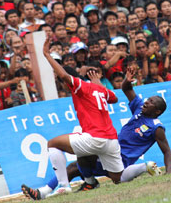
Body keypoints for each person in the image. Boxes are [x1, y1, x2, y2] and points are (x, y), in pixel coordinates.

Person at [21, 65, 171, 200]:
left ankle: (140, 168)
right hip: (111, 149)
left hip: (122, 158)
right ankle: (53, 190)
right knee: (79, 164)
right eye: (148, 99)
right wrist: (127, 79)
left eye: (151, 102)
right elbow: (126, 89)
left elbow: (166, 150)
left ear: (157, 111)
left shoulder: (156, 127)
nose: (147, 102)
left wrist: (169, 171)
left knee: (82, 167)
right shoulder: (139, 108)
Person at [23, 40, 125, 198]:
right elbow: (114, 99)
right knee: (118, 179)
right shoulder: (98, 88)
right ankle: (144, 168)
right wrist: (99, 85)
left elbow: (63, 75)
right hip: (111, 140)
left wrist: (47, 55)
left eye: (62, 83)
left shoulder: (80, 86)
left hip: (95, 137)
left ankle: (64, 186)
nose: (63, 84)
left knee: (52, 144)